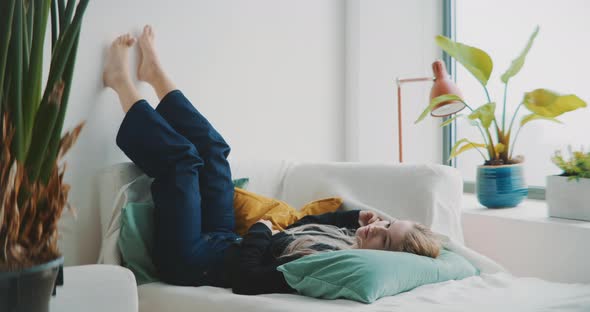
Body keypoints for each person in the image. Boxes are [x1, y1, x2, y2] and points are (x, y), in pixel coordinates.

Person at [104, 25, 441, 295]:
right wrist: (353, 216)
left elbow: (248, 280)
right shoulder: (348, 241)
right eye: (384, 223)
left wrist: (261, 231)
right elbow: (297, 228)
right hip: (221, 238)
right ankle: (156, 76)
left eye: (384, 236)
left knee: (182, 163)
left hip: (191, 261)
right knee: (214, 151)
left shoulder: (333, 268)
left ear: (389, 262)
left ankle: (120, 83)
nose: (375, 228)